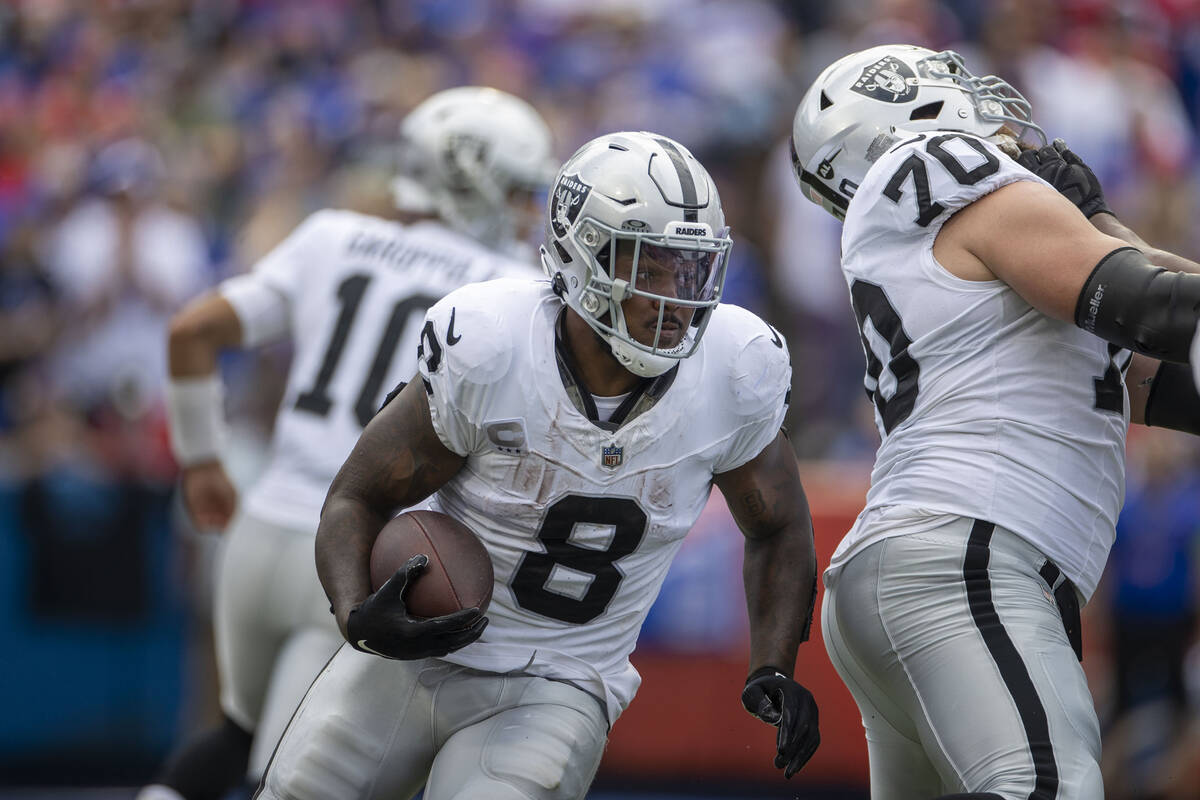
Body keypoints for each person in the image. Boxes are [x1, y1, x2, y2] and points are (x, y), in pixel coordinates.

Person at [253, 131, 822, 800]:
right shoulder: (494, 346)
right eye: (651, 266)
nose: (677, 296)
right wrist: (355, 611)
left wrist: (775, 665)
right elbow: (356, 495)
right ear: (581, 257)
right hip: (415, 657)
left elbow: (779, 526)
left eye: (691, 268)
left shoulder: (735, 368)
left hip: (562, 680)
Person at [789, 44, 1200, 800]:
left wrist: (1100, 220)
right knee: (1048, 786)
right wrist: (1100, 219)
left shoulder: (969, 267)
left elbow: (1164, 365)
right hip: (967, 554)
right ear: (903, 115)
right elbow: (1149, 305)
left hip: (929, 561)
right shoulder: (931, 163)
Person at [138, 86, 557, 800]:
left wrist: (202, 460)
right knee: (300, 779)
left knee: (235, 737)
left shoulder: (333, 234)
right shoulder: (517, 291)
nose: (526, 211)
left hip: (259, 530)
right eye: (518, 191)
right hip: (360, 553)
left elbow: (190, 333)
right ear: (473, 182)